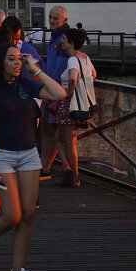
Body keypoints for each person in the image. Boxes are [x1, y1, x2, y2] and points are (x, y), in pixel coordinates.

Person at [0, 41, 66, 271]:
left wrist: (34, 69)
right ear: (0, 62)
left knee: (28, 214)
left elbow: (59, 94)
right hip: (2, 155)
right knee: (12, 214)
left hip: (28, 155)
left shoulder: (25, 82)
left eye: (18, 59)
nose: (17, 63)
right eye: (11, 59)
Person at [54, 28, 96, 188]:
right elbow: (94, 74)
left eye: (64, 39)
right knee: (59, 139)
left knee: (68, 142)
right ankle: (67, 168)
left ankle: (75, 177)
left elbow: (73, 77)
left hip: (69, 103)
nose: (62, 41)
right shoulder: (85, 57)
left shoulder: (72, 60)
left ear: (71, 42)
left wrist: (69, 92)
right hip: (82, 102)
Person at [39, 5, 71, 178]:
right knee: (50, 129)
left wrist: (48, 92)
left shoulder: (62, 39)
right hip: (54, 90)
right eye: (50, 17)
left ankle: (58, 167)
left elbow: (59, 69)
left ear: (64, 20)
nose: (50, 21)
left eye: (54, 19)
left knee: (53, 129)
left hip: (56, 92)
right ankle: (47, 166)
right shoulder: (57, 37)